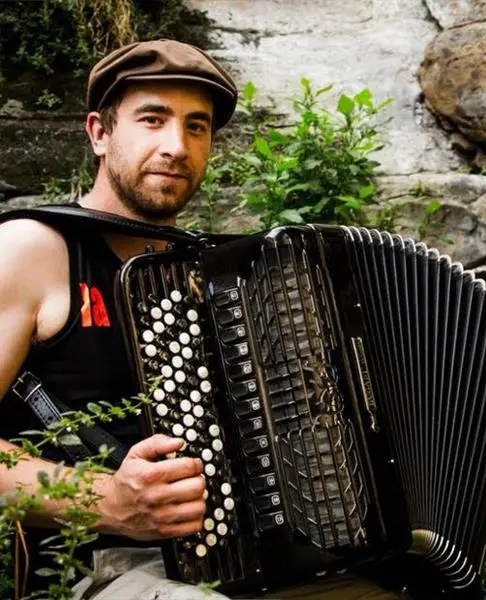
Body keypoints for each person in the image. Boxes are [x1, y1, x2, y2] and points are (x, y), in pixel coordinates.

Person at [0, 39, 400, 600]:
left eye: (196, 127)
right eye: (152, 120)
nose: (177, 146)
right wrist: (106, 501)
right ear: (99, 132)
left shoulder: (216, 276)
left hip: (251, 563)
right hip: (98, 569)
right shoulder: (32, 250)